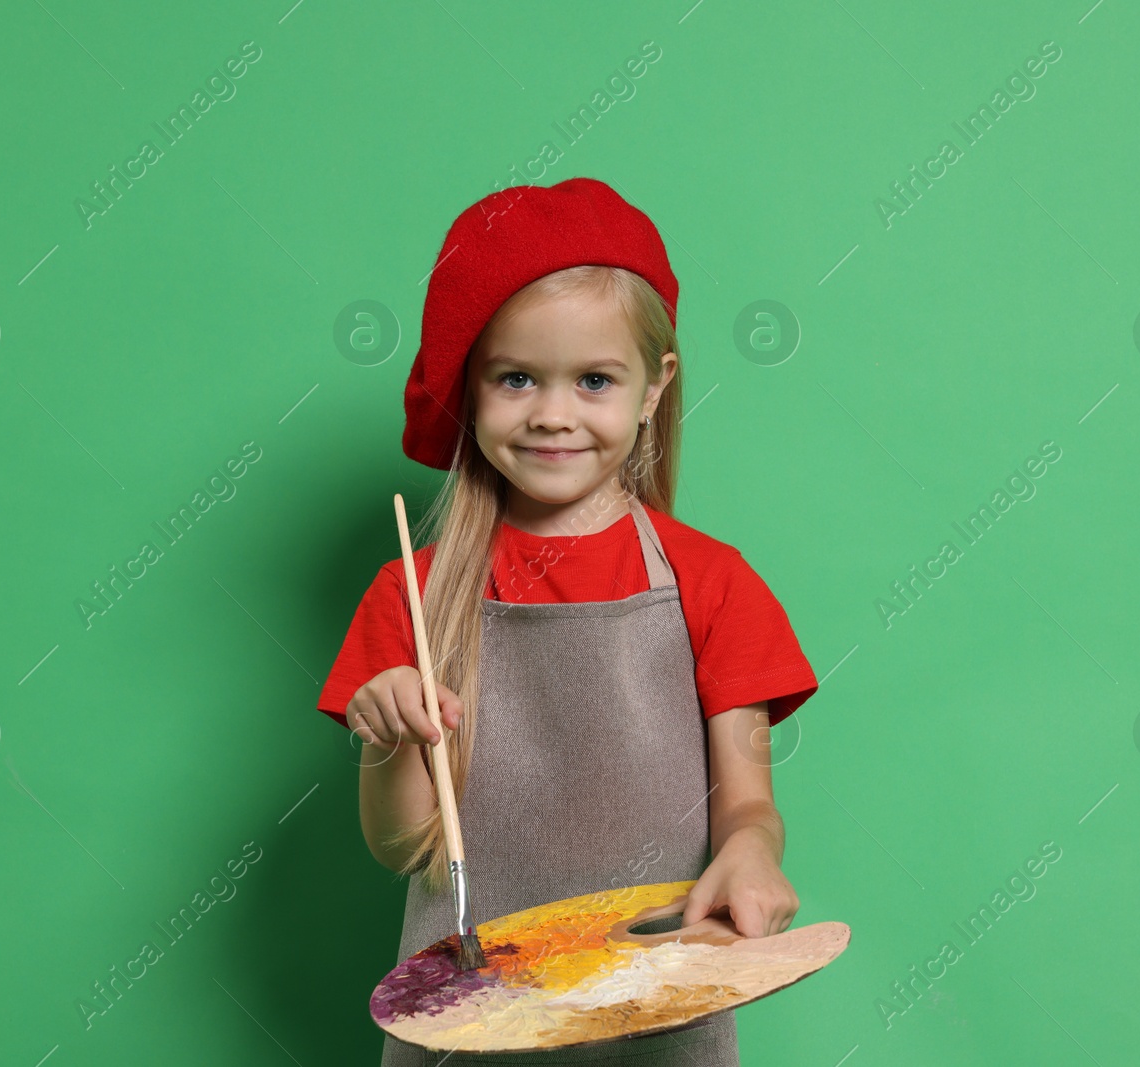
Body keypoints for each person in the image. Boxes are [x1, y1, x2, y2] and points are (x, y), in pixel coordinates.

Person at [318, 176, 819, 1065]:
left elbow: (748, 807)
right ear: (469, 388)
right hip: (467, 1033)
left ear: (654, 387)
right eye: (517, 378)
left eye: (594, 379)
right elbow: (401, 849)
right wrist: (392, 731)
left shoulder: (716, 583)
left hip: (663, 1016)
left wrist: (751, 853)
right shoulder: (414, 597)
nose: (554, 414)